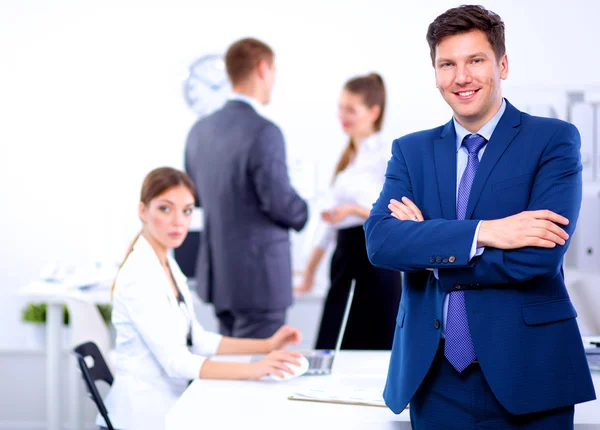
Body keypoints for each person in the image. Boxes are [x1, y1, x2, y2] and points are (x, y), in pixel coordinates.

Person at [364, 5, 595, 429]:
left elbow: (539, 257)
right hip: (434, 378)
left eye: (475, 60)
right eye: (447, 64)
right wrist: (489, 232)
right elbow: (380, 242)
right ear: (435, 71)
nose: (461, 77)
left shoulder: (553, 140)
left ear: (502, 64)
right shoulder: (411, 152)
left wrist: (432, 251)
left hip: (530, 370)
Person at [97, 167, 303, 430]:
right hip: (144, 414)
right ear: (142, 211)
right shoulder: (140, 276)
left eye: (186, 211)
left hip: (171, 402)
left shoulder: (167, 265)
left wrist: (266, 345)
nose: (179, 221)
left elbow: (198, 338)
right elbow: (176, 362)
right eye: (165, 209)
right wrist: (255, 370)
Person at [185, 38, 308, 339]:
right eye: (274, 70)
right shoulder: (264, 131)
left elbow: (196, 196)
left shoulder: (199, 131)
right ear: (262, 68)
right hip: (259, 282)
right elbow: (280, 203)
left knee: (235, 372)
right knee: (258, 375)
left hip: (219, 278)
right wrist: (305, 210)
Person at [295, 73, 401, 350]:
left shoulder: (389, 155)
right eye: (341, 107)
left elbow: (399, 215)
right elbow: (328, 226)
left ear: (373, 112)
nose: (342, 115)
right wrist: (309, 272)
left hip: (374, 261)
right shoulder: (345, 159)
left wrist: (352, 210)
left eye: (351, 109)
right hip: (344, 260)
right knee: (334, 342)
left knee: (373, 347)